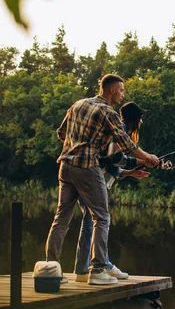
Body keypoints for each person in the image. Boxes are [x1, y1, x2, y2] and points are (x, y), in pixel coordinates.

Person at [45, 74, 159, 285]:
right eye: (122, 90)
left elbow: (61, 133)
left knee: (61, 219)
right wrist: (148, 158)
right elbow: (128, 146)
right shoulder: (108, 112)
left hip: (65, 166)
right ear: (113, 89)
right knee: (102, 217)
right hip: (87, 167)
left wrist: (79, 143)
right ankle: (97, 270)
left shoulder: (78, 104)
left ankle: (50, 268)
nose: (123, 95)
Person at [74, 101, 149, 282]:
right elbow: (115, 158)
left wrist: (130, 173)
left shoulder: (120, 130)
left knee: (89, 224)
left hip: (87, 179)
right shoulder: (120, 130)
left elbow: (108, 163)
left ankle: (83, 270)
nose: (141, 122)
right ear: (134, 119)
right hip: (92, 181)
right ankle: (103, 266)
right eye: (140, 118)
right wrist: (143, 160)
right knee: (98, 222)